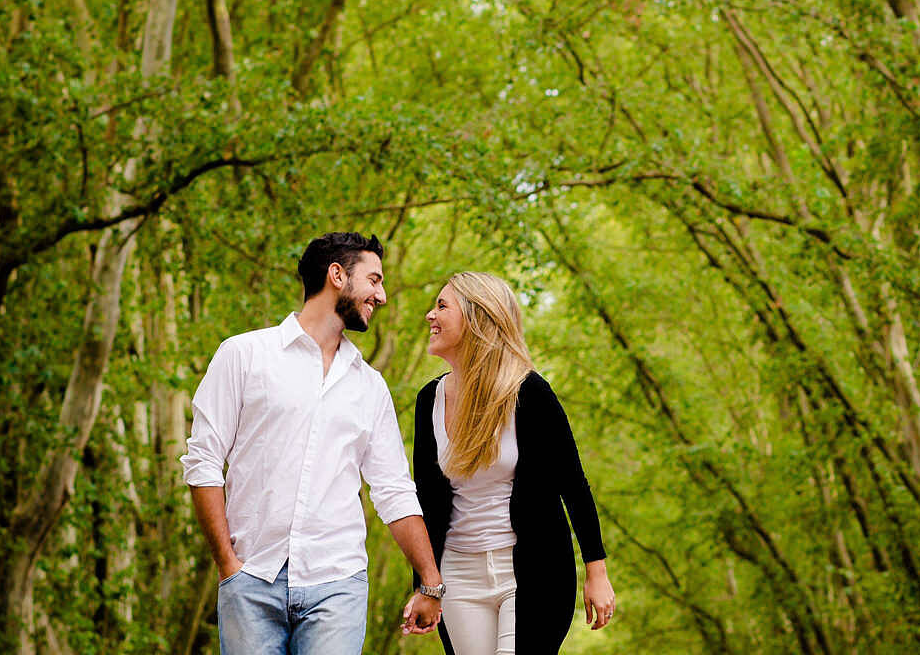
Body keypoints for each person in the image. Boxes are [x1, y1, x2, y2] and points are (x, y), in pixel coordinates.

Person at [181, 232, 446, 653]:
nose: (381, 295)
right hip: (251, 578)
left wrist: (430, 582)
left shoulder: (370, 386)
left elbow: (393, 490)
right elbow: (203, 461)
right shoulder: (244, 355)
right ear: (337, 275)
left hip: (338, 584)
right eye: (374, 280)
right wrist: (228, 564)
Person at [412, 271, 615, 655]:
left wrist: (596, 571)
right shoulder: (429, 401)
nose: (430, 315)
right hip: (459, 574)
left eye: (442, 305)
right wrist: (426, 583)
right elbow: (426, 503)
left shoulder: (530, 392)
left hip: (531, 571)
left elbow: (573, 484)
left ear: (477, 317)